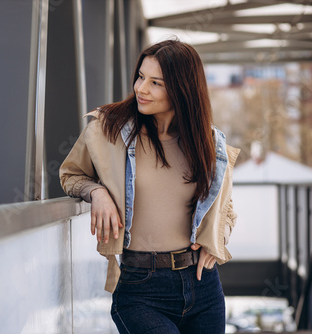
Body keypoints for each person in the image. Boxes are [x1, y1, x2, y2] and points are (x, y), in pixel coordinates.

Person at [59, 39, 240, 334]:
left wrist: (217, 241)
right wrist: (97, 192)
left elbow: (226, 207)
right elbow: (70, 174)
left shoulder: (208, 142)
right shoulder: (108, 130)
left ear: (183, 89)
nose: (141, 89)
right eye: (141, 77)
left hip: (203, 284)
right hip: (141, 288)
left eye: (156, 83)